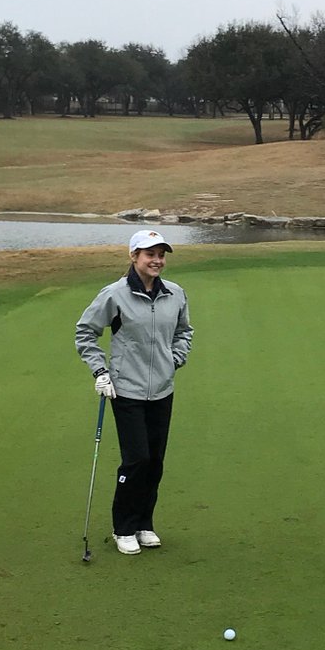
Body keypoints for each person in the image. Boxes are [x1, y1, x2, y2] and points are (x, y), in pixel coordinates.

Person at [75, 230, 193, 555]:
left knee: (155, 461)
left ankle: (144, 524)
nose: (157, 260)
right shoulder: (115, 295)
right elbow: (85, 332)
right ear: (134, 257)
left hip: (162, 391)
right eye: (149, 254)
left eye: (161, 254)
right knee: (137, 459)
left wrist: (175, 359)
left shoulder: (175, 294)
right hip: (126, 390)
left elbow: (184, 331)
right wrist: (100, 370)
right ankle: (123, 527)